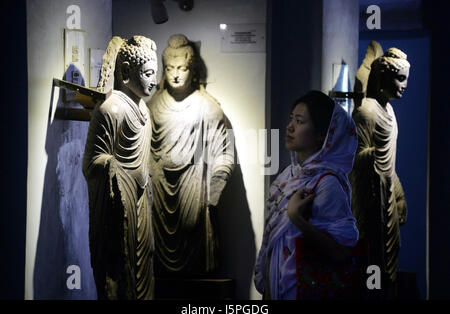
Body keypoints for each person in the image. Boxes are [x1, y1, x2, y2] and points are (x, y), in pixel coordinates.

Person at [255, 90, 359, 300]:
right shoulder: (288, 176)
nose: (290, 127)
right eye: (291, 119)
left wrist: (296, 218)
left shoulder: (327, 184)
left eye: (300, 121)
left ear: (323, 134)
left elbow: (342, 252)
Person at [147, 34, 234, 276]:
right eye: (169, 68)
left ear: (191, 68)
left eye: (181, 68)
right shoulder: (153, 107)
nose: (175, 74)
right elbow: (141, 151)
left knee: (194, 255)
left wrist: (214, 190)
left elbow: (224, 153)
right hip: (159, 192)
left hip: (194, 191)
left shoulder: (207, 107)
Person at [82, 35, 157, 299]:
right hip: (117, 206)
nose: (154, 81)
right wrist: (112, 168)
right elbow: (91, 164)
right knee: (118, 271)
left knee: (144, 265)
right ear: (125, 72)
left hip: (141, 202)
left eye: (154, 74)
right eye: (148, 73)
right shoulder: (110, 110)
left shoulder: (144, 112)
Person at [349, 48, 410, 297]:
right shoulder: (366, 112)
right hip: (370, 200)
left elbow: (389, 163)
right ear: (383, 76)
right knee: (371, 263)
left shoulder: (390, 112)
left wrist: (397, 192)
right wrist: (375, 155)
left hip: (387, 198)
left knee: (389, 268)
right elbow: (355, 159)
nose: (405, 85)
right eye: (401, 78)